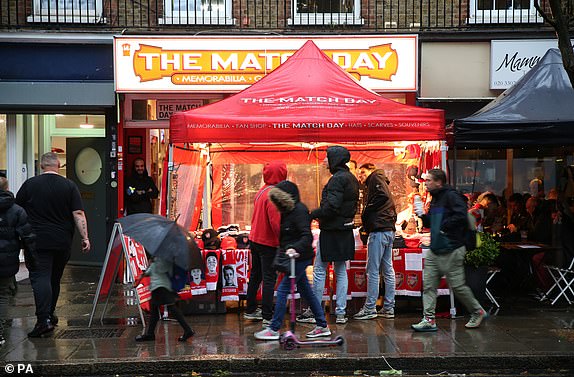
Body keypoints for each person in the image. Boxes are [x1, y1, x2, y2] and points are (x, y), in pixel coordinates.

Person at [16, 152, 91, 338]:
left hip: (37, 240)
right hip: (62, 240)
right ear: (58, 164)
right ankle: (49, 313)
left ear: (42, 166)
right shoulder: (69, 186)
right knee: (54, 278)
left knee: (41, 277)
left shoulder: (30, 185)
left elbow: (18, 210)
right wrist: (85, 237)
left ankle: (43, 321)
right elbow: (78, 214)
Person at [411, 169, 487, 332]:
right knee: (429, 285)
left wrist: (444, 226)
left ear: (439, 182)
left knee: (457, 286)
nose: (427, 183)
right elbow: (431, 222)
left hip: (452, 248)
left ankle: (477, 311)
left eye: (429, 180)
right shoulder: (436, 198)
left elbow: (460, 215)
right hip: (436, 248)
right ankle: (429, 319)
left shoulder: (452, 196)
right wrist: (422, 215)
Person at [255, 180, 331, 340]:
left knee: (283, 290)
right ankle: (322, 325)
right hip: (294, 257)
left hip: (299, 257)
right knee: (307, 292)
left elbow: (306, 236)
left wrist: (294, 248)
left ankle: (274, 328)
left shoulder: (299, 211)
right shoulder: (287, 211)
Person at [298, 146, 359, 325]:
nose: (324, 161)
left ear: (335, 160)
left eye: (327, 157)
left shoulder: (337, 180)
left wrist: (312, 213)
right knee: (340, 271)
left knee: (319, 270)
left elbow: (331, 207)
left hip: (332, 231)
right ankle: (340, 312)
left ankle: (315, 310)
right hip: (345, 229)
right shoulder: (351, 179)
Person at [244, 161, 286, 324]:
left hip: (255, 239)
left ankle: (250, 309)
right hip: (267, 242)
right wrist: (283, 240)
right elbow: (276, 223)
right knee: (269, 278)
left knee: (256, 276)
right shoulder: (275, 194)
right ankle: (267, 315)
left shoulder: (262, 190)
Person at [353, 164, 397, 320]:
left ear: (370, 170)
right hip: (387, 229)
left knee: (372, 270)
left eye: (363, 172)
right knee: (387, 269)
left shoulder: (375, 178)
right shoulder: (379, 179)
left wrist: (367, 211)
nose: (361, 177)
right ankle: (389, 307)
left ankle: (370, 307)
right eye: (359, 174)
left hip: (379, 230)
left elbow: (382, 195)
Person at [0, 177, 37, 346]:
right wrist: (33, 260)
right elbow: (28, 237)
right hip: (7, 261)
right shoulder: (16, 210)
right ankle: (0, 329)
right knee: (3, 295)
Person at [135, 257, 194, 342]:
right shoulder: (163, 258)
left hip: (159, 287)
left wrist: (151, 264)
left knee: (170, 309)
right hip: (162, 287)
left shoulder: (161, 259)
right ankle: (150, 333)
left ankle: (188, 330)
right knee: (156, 309)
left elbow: (152, 271)